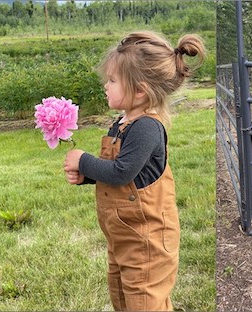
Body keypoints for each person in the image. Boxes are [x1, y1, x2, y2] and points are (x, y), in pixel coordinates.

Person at [63, 31, 205, 311]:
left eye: (113, 80)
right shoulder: (122, 123)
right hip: (123, 236)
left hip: (147, 240)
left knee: (143, 300)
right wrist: (87, 176)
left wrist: (83, 160)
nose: (106, 85)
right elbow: (129, 176)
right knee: (123, 295)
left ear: (140, 90)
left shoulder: (147, 127)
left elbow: (122, 172)